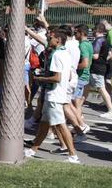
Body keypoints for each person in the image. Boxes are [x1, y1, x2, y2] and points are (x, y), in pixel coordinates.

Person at [24, 28, 80, 163]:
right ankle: (32, 150)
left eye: (50, 38)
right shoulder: (65, 53)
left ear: (58, 40)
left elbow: (57, 78)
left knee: (60, 125)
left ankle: (73, 155)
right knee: (44, 123)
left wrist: (39, 78)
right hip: (57, 94)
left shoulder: (56, 55)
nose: (48, 40)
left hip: (54, 95)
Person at [89, 24, 112, 118]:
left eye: (93, 29)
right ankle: (77, 105)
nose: (92, 31)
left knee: (101, 88)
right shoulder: (106, 40)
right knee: (86, 87)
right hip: (102, 66)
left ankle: (110, 109)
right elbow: (110, 54)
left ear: (97, 30)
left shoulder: (98, 41)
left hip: (96, 67)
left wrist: (86, 54)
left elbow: (95, 56)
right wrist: (104, 59)